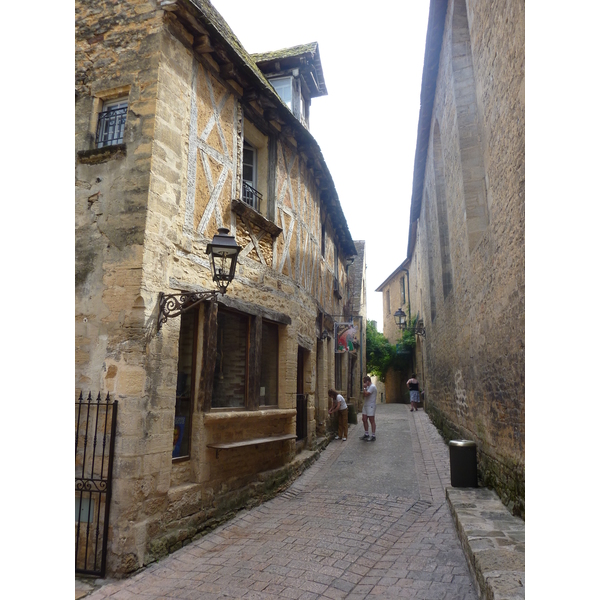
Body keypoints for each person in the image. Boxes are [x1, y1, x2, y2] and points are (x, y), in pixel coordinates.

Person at [361, 376, 377, 441]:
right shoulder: (368, 387)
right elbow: (363, 395)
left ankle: (373, 435)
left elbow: (366, 394)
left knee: (371, 420)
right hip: (366, 405)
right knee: (364, 419)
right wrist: (365, 389)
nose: (364, 383)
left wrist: (364, 388)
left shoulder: (372, 387)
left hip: (371, 405)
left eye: (365, 382)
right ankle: (366, 434)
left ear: (368, 381)